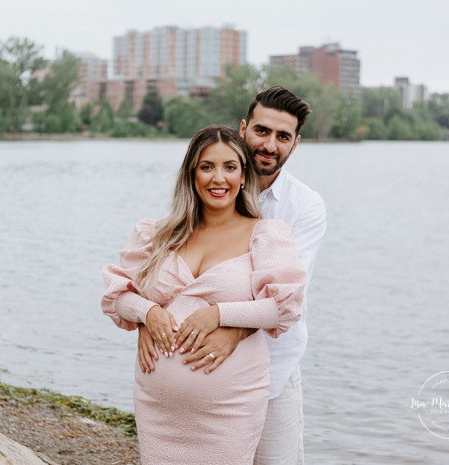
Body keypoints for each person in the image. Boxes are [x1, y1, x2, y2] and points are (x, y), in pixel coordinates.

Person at [135, 87, 327, 465]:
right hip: (181, 403)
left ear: (295, 143)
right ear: (243, 129)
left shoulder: (304, 207)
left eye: (283, 137)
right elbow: (166, 275)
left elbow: (285, 299)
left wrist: (229, 331)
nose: (270, 144)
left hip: (274, 365)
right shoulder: (210, 190)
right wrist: (146, 317)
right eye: (262, 131)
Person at [101, 125, 307, 465]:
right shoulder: (158, 234)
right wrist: (148, 314)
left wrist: (219, 314)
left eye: (230, 167)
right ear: (191, 174)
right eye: (207, 166)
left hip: (230, 407)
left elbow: (285, 308)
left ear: (244, 176)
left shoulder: (264, 235)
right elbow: (116, 296)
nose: (218, 178)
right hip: (159, 409)